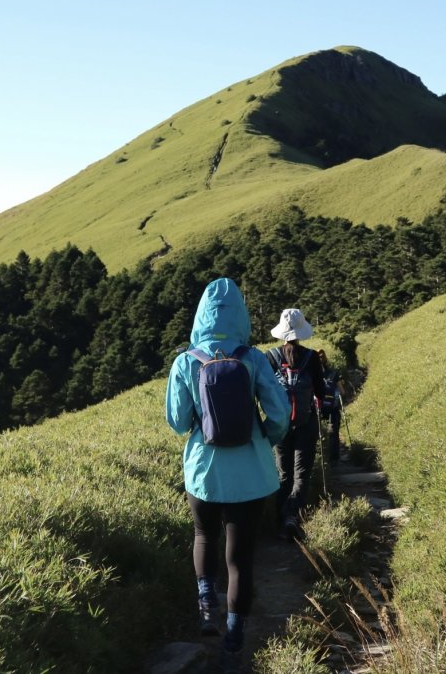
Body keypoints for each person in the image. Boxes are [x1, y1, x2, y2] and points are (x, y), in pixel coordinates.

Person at [165, 278, 290, 652]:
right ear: (241, 315)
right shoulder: (253, 358)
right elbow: (280, 413)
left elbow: (177, 422)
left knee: (204, 536)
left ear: (200, 316)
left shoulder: (186, 361)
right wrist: (265, 437)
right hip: (251, 474)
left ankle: (207, 610)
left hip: (204, 472)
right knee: (241, 557)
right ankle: (235, 635)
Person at [265, 307, 326, 537]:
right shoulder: (311, 357)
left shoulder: (270, 357)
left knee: (283, 474)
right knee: (302, 473)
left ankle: (281, 518)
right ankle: (293, 516)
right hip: (306, 423)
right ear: (301, 332)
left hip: (279, 426)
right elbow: (320, 391)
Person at [316, 349, 345, 462]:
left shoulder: (310, 375)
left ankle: (323, 460)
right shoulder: (333, 373)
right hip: (333, 408)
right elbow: (342, 392)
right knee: (334, 433)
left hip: (317, 408)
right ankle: (334, 460)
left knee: (316, 434)